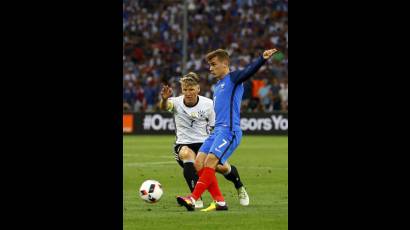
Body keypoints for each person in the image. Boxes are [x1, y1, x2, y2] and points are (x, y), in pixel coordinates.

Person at [176, 48, 278, 211]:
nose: (211, 68)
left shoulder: (234, 78)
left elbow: (248, 71)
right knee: (198, 163)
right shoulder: (217, 86)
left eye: (214, 64)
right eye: (209, 65)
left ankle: (193, 198)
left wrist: (262, 59)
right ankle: (220, 201)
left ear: (224, 64)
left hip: (229, 131)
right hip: (216, 131)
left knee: (210, 162)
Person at [159, 72, 249, 209]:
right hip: (183, 144)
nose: (188, 93)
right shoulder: (176, 102)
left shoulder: (208, 104)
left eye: (191, 89)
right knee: (187, 154)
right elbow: (164, 106)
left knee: (223, 168)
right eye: (185, 90)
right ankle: (196, 198)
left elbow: (216, 127)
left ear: (198, 89)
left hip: (204, 143)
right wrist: (164, 99)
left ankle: (239, 186)